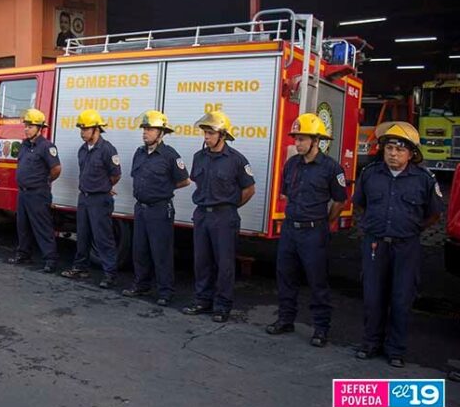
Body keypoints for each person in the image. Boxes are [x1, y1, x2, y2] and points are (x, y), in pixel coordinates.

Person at [353, 121, 443, 368]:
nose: (393, 153)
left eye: (400, 149)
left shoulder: (424, 179)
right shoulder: (370, 174)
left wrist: (410, 230)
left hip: (407, 247)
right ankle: (370, 344)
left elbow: (433, 214)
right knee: (373, 297)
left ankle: (396, 350)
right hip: (375, 245)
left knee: (402, 299)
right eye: (389, 147)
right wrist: (376, 226)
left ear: (412, 154)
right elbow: (360, 204)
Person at [264, 113, 347, 346]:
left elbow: (340, 201)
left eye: (302, 139)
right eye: (296, 138)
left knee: (317, 281)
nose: (297, 143)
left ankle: (321, 328)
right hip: (290, 230)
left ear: (316, 141)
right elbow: (287, 193)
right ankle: (285, 319)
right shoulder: (291, 164)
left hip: (314, 232)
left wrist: (324, 223)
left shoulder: (331, 168)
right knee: (285, 277)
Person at [182, 111, 255, 323]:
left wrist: (230, 206)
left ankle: (222, 306)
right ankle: (202, 300)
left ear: (222, 135)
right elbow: (198, 182)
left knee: (224, 264)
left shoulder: (236, 160)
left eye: (210, 133)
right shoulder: (199, 157)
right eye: (204, 133)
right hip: (203, 215)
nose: (206, 137)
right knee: (202, 261)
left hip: (224, 217)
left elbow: (249, 189)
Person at [122, 110, 190, 306]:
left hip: (160, 209)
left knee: (161, 252)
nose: (145, 133)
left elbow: (184, 180)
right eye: (144, 129)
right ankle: (141, 285)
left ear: (161, 133)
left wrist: (164, 189)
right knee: (139, 249)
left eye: (150, 129)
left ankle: (165, 291)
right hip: (141, 208)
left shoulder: (170, 155)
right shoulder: (139, 152)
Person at [61, 109, 121, 288]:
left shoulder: (107, 149)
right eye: (81, 129)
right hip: (84, 198)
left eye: (85, 129)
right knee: (83, 235)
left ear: (96, 129)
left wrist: (103, 188)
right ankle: (80, 268)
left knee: (103, 238)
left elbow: (115, 175)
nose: (82, 132)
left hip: (99, 200)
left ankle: (110, 274)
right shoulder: (82, 150)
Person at [9, 108, 62, 272]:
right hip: (23, 193)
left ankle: (50, 259)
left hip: (38, 193)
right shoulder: (24, 145)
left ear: (40, 128)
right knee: (22, 225)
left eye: (30, 126)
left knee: (42, 227)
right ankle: (23, 254)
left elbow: (56, 169)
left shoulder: (46, 147)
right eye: (26, 125)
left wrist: (44, 182)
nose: (26, 129)